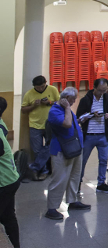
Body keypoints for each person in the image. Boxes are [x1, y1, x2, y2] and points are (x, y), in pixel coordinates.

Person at [45, 87, 91, 220]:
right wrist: (66, 108)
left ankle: (72, 200)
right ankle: (52, 208)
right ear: (65, 98)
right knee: (59, 179)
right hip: (61, 150)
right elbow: (66, 123)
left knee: (74, 176)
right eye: (73, 99)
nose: (74, 101)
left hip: (75, 148)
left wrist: (79, 120)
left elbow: (71, 122)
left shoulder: (67, 109)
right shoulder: (55, 111)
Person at [75, 77, 108, 193]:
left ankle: (101, 183)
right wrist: (92, 114)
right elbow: (79, 117)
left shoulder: (107, 98)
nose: (102, 93)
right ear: (94, 88)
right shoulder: (85, 100)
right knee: (83, 160)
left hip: (103, 134)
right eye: (100, 90)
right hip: (89, 135)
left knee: (103, 160)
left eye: (104, 90)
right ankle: (77, 183)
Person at [20, 75, 59, 181]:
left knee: (49, 147)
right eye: (38, 87)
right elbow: (23, 109)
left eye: (42, 86)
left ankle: (38, 168)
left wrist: (49, 102)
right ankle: (43, 170)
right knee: (37, 150)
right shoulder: (29, 94)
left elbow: (59, 103)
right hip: (35, 125)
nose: (40, 89)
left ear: (45, 83)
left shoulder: (53, 89)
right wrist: (34, 106)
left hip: (50, 124)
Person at [0, 97, 20, 248]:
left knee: (7, 217)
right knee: (8, 217)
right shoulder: (1, 123)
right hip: (10, 179)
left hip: (4, 182)